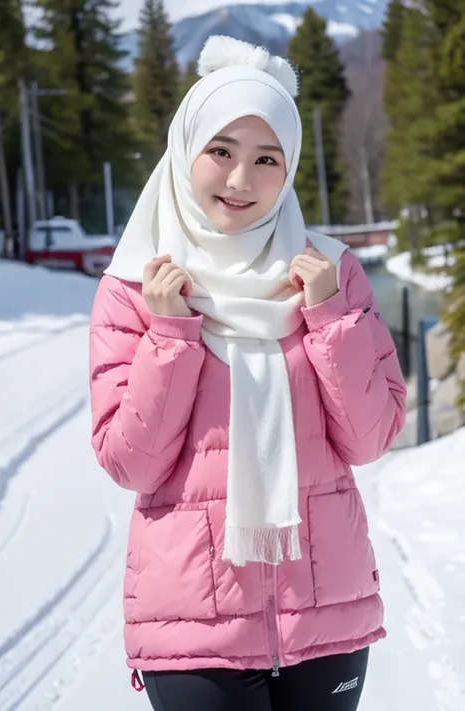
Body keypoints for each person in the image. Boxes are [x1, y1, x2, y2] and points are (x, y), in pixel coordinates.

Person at [89, 35, 406, 711]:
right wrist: (171, 333)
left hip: (327, 615)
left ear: (288, 171)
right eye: (221, 152)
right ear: (185, 153)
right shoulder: (134, 286)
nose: (240, 180)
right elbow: (130, 463)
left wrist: (328, 318)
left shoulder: (330, 272)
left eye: (267, 159)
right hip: (191, 627)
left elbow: (372, 438)